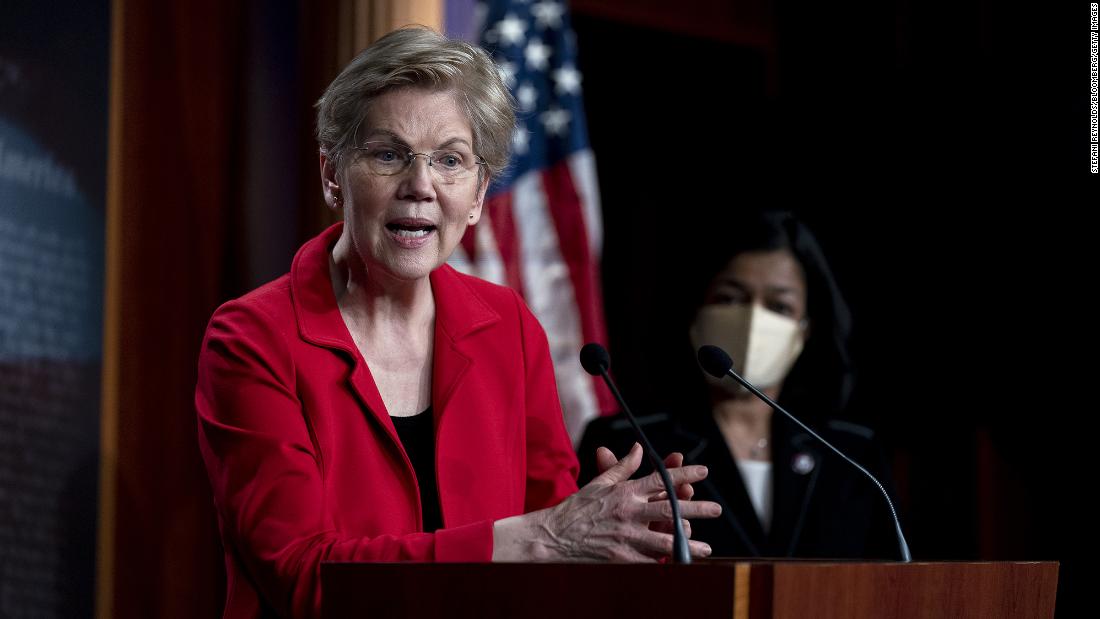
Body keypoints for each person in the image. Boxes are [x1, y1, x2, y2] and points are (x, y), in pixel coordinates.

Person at [195, 27, 719, 619]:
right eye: (388, 154)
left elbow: (548, 549)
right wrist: (543, 538)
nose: (420, 186)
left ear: (477, 196)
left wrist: (616, 541)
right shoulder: (252, 338)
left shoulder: (509, 327)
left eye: (450, 160)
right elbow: (305, 578)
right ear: (332, 175)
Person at [578, 211, 900, 560]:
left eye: (780, 306)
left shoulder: (852, 455)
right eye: (730, 298)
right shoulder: (627, 442)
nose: (753, 321)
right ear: (697, 310)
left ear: (805, 330)